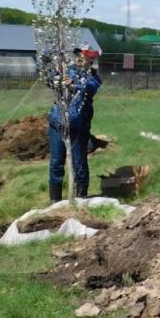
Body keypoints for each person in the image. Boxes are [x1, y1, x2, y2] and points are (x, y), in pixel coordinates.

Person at [48, 47, 102, 202]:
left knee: (79, 163)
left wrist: (73, 85)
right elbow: (52, 81)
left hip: (78, 125)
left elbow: (89, 88)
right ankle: (55, 201)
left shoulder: (93, 78)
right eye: (78, 55)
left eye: (84, 56)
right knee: (56, 163)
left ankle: (81, 198)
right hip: (57, 122)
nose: (80, 58)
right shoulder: (66, 70)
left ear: (91, 60)